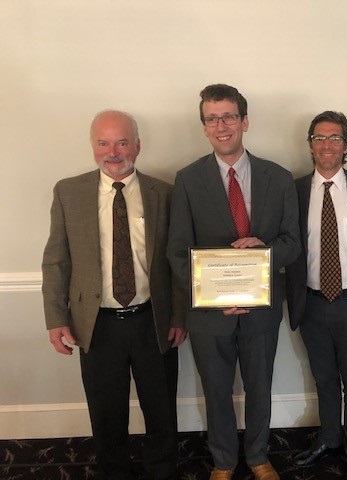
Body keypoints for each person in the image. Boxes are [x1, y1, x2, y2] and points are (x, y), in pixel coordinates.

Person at [42, 110, 187, 480]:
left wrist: (179, 317)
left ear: (137, 145)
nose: (113, 151)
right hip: (96, 325)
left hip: (152, 321)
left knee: (161, 409)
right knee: (106, 412)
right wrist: (56, 319)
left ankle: (161, 472)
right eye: (103, 143)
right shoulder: (68, 192)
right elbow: (56, 260)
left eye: (122, 142)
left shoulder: (165, 193)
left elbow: (177, 262)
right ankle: (114, 472)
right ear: (93, 147)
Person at [166, 84, 300, 480]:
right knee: (217, 391)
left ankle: (258, 456)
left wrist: (264, 252)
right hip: (210, 314)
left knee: (260, 388)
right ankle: (223, 461)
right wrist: (210, 297)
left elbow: (292, 243)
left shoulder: (278, 177)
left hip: (261, 309)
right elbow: (177, 251)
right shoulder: (188, 179)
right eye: (212, 118)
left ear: (244, 121)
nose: (221, 125)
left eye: (228, 116)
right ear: (205, 127)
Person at [285, 112, 347, 480]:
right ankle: (328, 439)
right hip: (310, 302)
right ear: (310, 144)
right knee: (323, 378)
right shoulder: (292, 190)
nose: (327, 145)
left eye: (335, 138)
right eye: (319, 137)